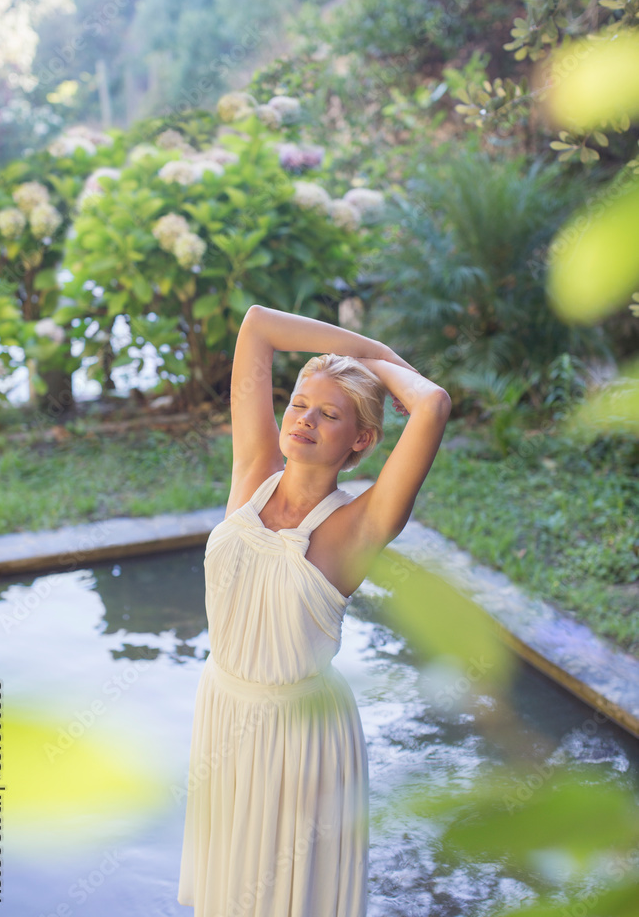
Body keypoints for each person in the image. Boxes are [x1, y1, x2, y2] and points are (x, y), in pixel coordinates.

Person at [178, 303, 451, 916]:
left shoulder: (359, 526)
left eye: (329, 415)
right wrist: (367, 346)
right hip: (223, 707)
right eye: (299, 403)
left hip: (297, 736)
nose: (303, 420)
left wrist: (384, 367)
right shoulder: (254, 472)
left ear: (360, 440)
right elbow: (257, 326)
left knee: (284, 899)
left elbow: (432, 405)